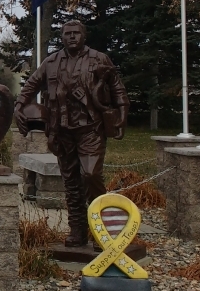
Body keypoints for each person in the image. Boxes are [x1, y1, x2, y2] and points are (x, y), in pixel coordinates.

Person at [14, 20, 129, 247]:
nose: (72, 37)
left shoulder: (99, 59)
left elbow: (118, 89)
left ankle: (101, 229)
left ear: (84, 36)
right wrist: (19, 105)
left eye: (76, 33)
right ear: (62, 37)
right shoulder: (51, 62)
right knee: (71, 183)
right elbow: (31, 85)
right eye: (68, 34)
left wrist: (121, 115)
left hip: (91, 129)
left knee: (91, 175)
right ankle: (77, 230)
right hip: (61, 131)